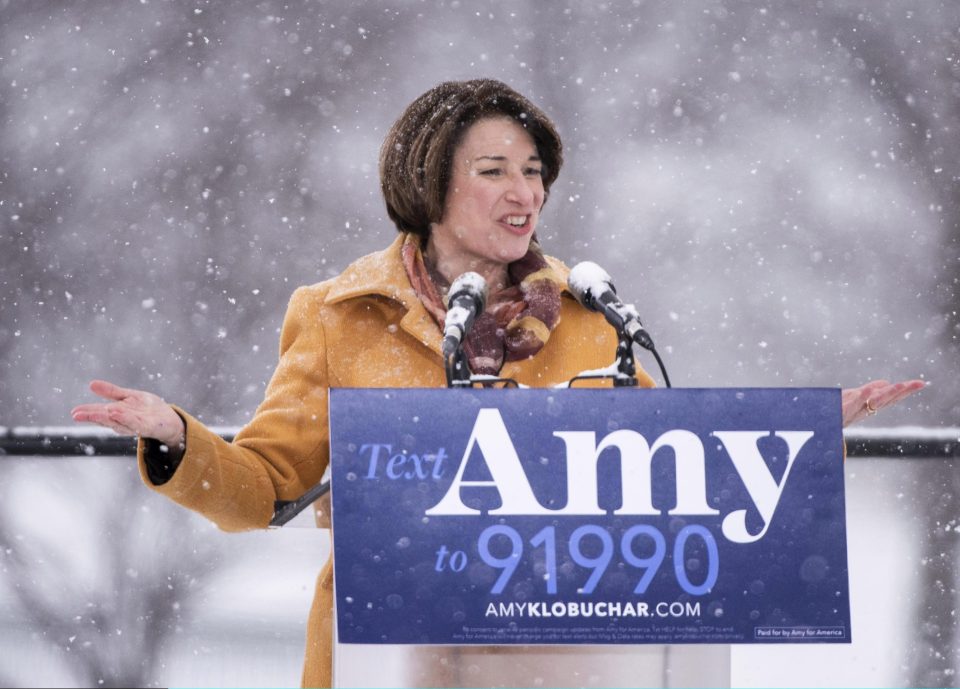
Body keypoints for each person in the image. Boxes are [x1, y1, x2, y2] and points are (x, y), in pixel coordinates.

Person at [71, 78, 925, 688]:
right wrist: (180, 440)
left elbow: (660, 484)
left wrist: (803, 432)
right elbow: (263, 490)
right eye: (495, 170)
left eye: (534, 170)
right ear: (428, 183)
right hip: (394, 658)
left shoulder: (595, 316)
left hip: (567, 660)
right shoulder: (341, 317)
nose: (526, 191)